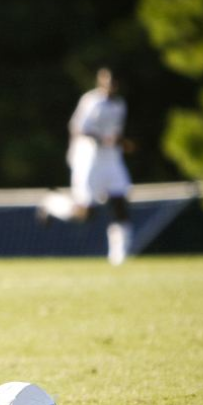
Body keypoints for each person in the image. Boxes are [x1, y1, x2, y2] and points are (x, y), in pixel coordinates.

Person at [38, 68, 133, 265]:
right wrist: (102, 139)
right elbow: (78, 128)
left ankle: (119, 255)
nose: (112, 86)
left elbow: (114, 134)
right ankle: (52, 203)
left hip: (111, 159)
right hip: (88, 158)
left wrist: (122, 142)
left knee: (120, 201)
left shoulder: (120, 105)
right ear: (101, 82)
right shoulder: (92, 101)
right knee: (86, 213)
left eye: (115, 82)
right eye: (108, 81)